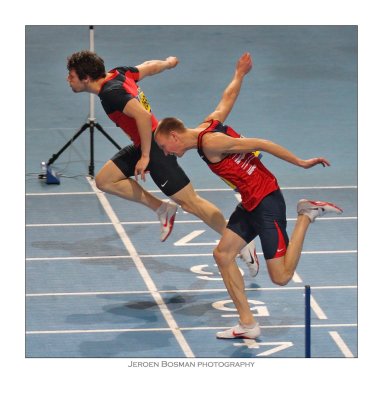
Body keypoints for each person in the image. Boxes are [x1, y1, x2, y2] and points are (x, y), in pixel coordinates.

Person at [154, 52, 343, 340]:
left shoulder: (212, 142)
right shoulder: (209, 124)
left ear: (176, 136)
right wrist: (239, 74)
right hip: (250, 201)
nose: (167, 153)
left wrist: (301, 163)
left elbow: (261, 144)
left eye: (166, 146)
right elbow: (226, 99)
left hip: (267, 201)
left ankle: (306, 215)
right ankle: (248, 324)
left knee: (280, 277)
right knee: (222, 254)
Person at [66, 50, 258, 275]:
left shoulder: (111, 93)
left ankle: (243, 241)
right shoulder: (119, 74)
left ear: (86, 78)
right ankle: (162, 208)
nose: (68, 80)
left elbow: (143, 117)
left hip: (155, 147)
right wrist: (167, 63)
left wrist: (146, 156)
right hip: (143, 143)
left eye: (71, 76)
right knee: (105, 180)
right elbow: (148, 66)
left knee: (191, 203)